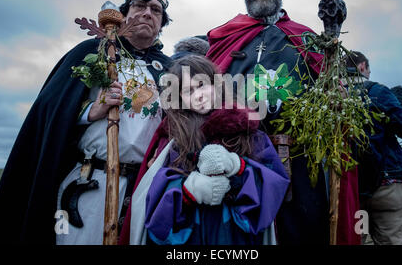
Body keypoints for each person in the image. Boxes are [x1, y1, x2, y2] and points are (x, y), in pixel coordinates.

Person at [0, 0, 172, 244]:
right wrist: (90, 111)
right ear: (123, 14)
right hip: (92, 183)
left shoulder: (168, 68)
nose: (147, 13)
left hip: (144, 186)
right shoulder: (93, 53)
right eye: (139, 6)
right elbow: (52, 110)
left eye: (156, 10)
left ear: (161, 23)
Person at [205, 0, 352, 244]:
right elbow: (206, 97)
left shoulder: (306, 38)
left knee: (301, 233)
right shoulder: (225, 39)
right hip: (237, 157)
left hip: (298, 160)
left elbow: (330, 91)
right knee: (239, 236)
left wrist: (337, 96)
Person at [121, 55, 289, 245]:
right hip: (191, 235)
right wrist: (187, 189)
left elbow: (273, 181)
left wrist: (239, 167)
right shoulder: (174, 137)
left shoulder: (247, 129)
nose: (198, 96)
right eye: (188, 91)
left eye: (201, 85)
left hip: (235, 236)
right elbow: (154, 195)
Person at [344, 51, 402, 245]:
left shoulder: (330, 95)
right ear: (362, 67)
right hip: (386, 187)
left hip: (350, 189)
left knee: (354, 240)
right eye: (369, 69)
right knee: (389, 242)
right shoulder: (378, 91)